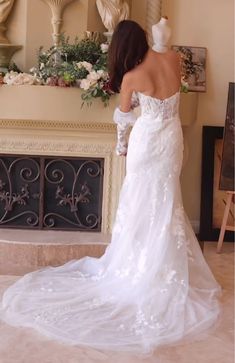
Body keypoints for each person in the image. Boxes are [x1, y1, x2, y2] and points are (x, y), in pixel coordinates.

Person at [0, 20, 221, 355]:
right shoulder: (174, 59)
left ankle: (137, 266)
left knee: (139, 201)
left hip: (147, 143)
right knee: (165, 202)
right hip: (172, 140)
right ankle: (163, 266)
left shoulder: (133, 77)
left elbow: (122, 119)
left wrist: (121, 146)